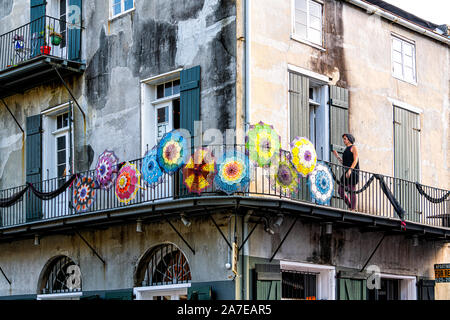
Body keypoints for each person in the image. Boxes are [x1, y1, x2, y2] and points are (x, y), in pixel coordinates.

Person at [332, 133, 359, 211]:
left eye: (345, 139)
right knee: (340, 191)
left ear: (349, 139)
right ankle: (351, 206)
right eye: (343, 139)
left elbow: (355, 160)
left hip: (353, 172)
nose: (344, 140)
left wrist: (350, 170)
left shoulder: (353, 147)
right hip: (347, 172)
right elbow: (344, 163)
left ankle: (352, 209)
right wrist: (337, 156)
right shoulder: (346, 149)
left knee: (351, 190)